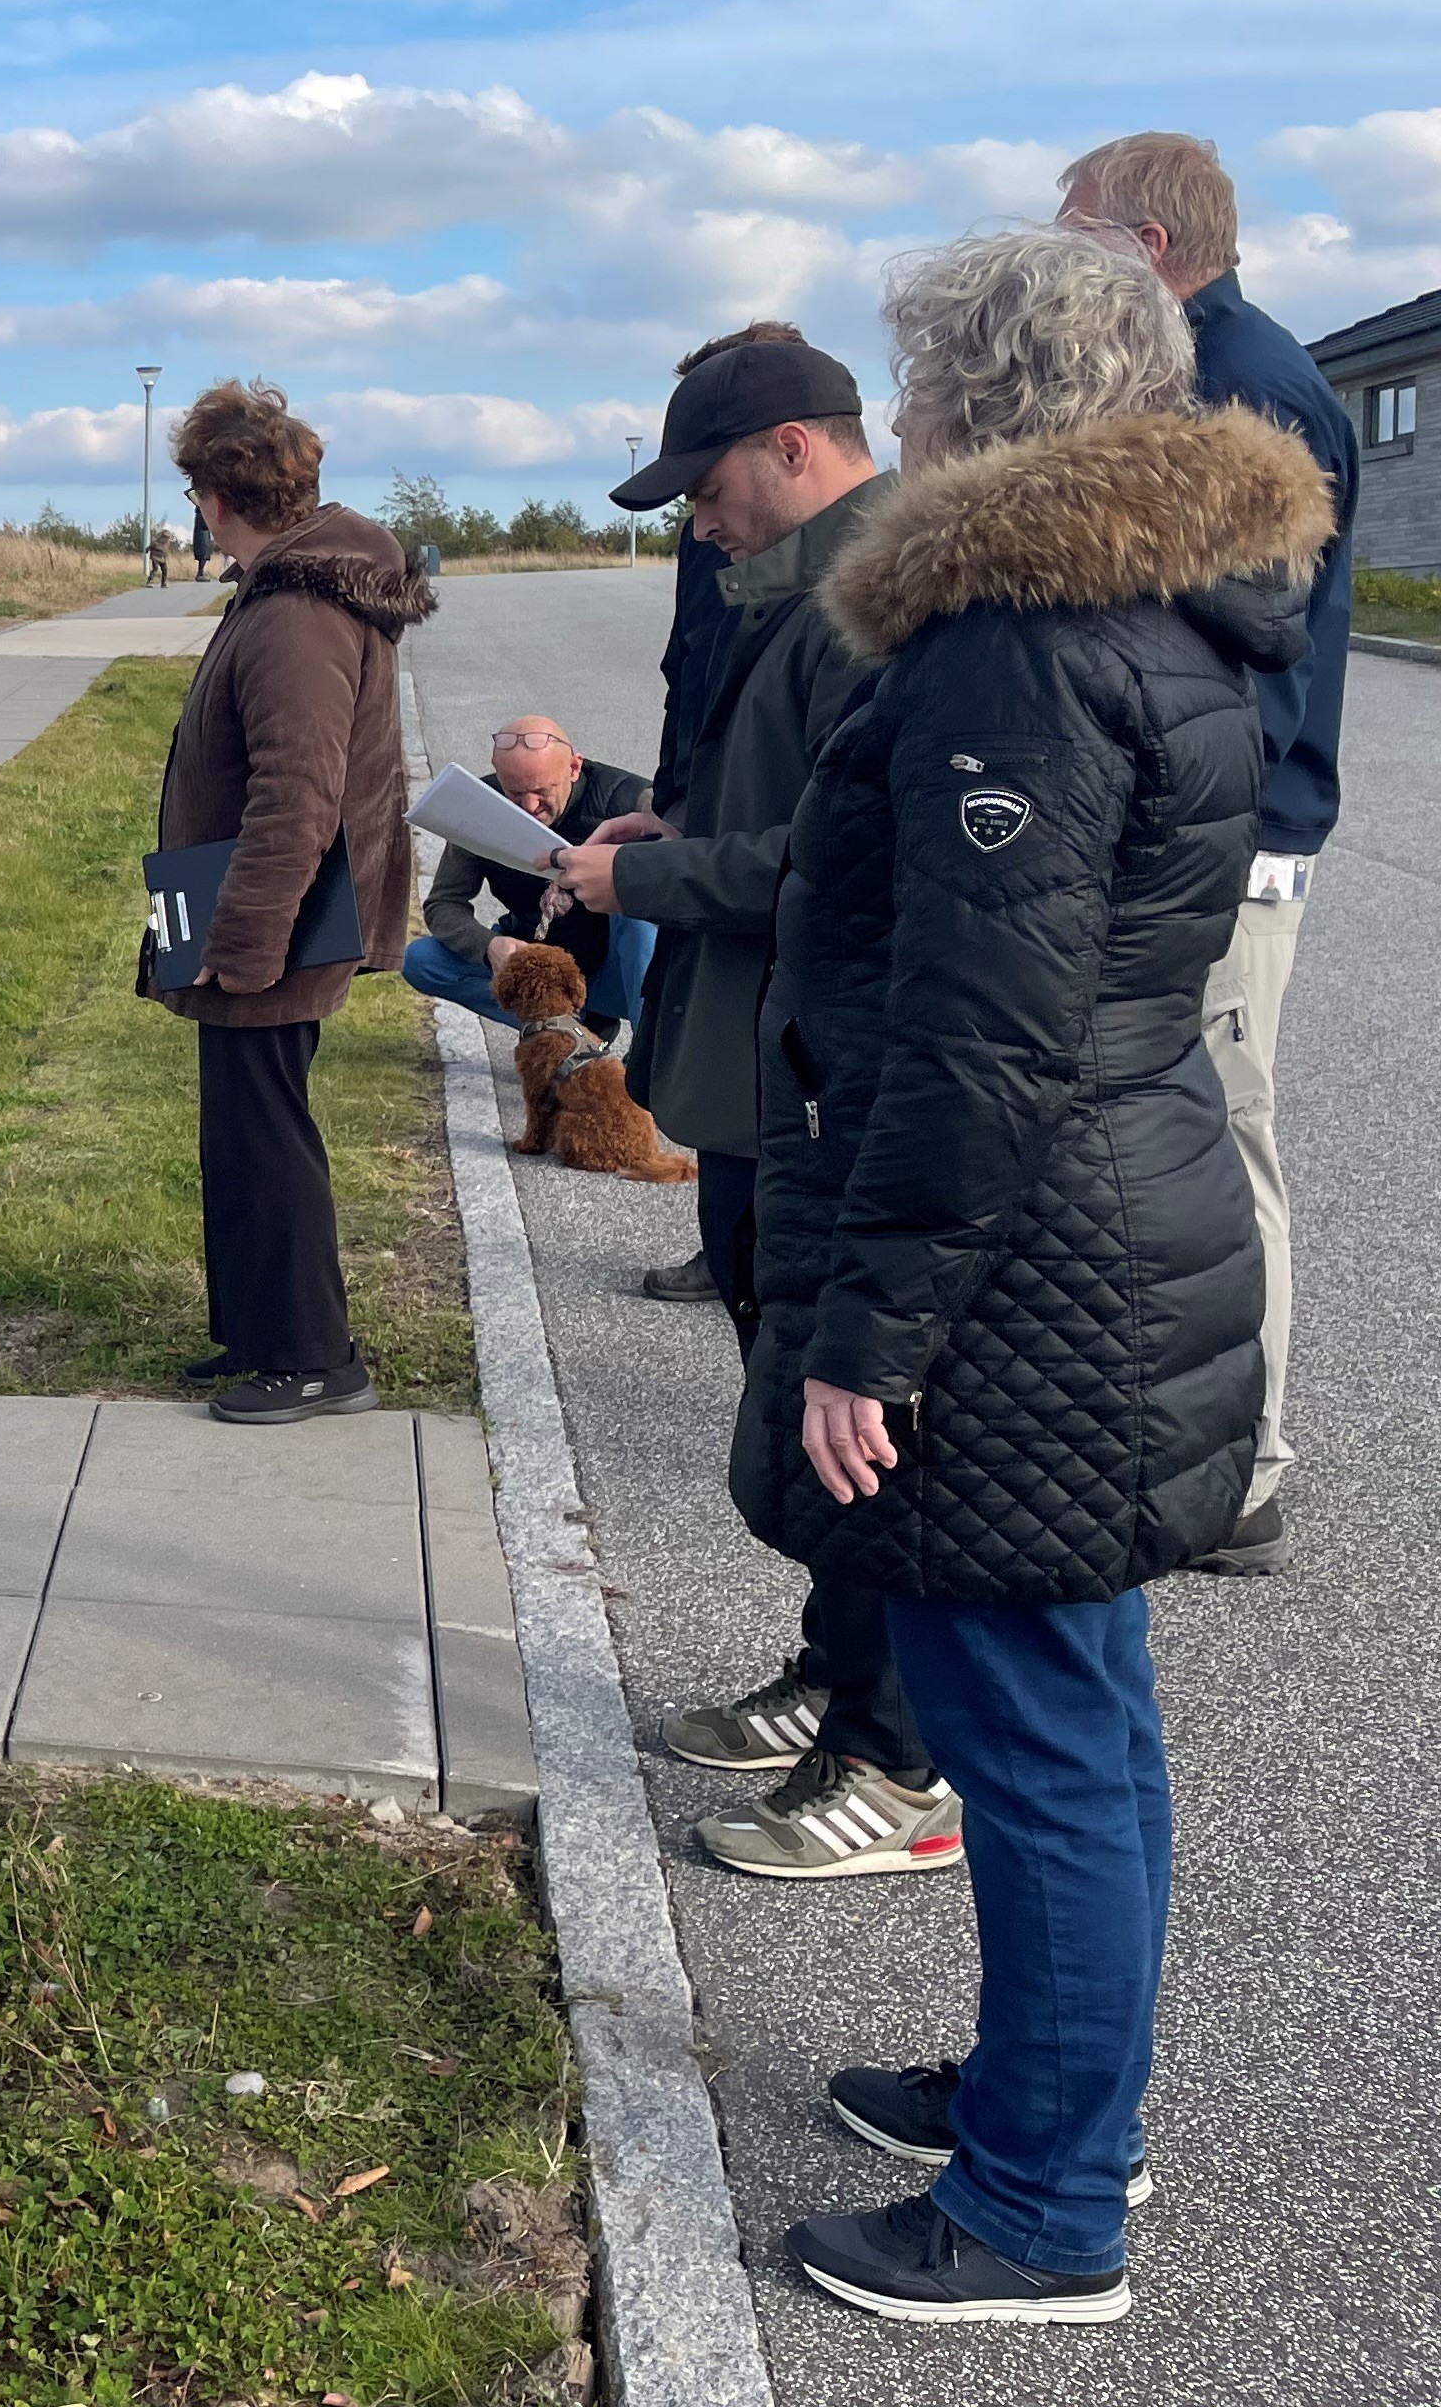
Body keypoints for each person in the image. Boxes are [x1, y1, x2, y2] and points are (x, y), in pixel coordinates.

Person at [749, 227, 1330, 2326]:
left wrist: (870, 1326)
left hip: (1028, 1251)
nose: (895, 422)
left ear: (996, 410)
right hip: (1098, 1207)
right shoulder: (1144, 607)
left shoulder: (1018, 633)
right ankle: (1046, 2097)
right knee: (1071, 1713)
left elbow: (983, 1028)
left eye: (920, 387)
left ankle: (1039, 2210)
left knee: (1041, 1729)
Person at [563, 331, 924, 1880]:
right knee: (792, 1393)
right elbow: (783, 808)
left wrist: (644, 872)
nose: (697, 528)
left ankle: (894, 1750)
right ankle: (836, 1676)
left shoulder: (881, 601)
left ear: (792, 448)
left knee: (854, 1430)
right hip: (756, 1059)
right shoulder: (800, 587)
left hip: (820, 1077)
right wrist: (681, 816)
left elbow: (849, 860)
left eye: (707, 492)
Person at [1058, 135, 1359, 1579]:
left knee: (1221, 1140)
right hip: (1197, 835)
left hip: (1226, 849)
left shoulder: (1245, 384)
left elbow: (1255, 650)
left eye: (1078, 236)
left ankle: (1248, 1471)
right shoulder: (1198, 368)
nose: (1061, 261)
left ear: (1153, 246)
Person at [153, 382, 429, 1427]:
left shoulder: (296, 612)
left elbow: (297, 794)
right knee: (240, 1125)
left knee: (267, 1129)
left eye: (195, 491)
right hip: (249, 903)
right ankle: (259, 1332)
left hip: (273, 911)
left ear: (218, 495)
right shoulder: (288, 589)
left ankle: (316, 1359)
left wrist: (248, 939)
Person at [636, 490, 748, 1306]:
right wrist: (668, 801)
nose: (702, 518)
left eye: (710, 486)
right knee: (703, 1040)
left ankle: (742, 1250)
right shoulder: (702, 540)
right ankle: (726, 1245)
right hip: (695, 803)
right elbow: (687, 673)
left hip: (741, 841)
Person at [398, 714, 656, 1039]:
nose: (529, 806)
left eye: (541, 791)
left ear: (574, 768)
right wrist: (489, 946)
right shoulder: (478, 808)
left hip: (616, 969)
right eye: (514, 793)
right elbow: (443, 903)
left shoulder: (630, 801)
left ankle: (651, 1050)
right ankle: (571, 1031)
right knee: (421, 961)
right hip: (536, 963)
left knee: (642, 909)